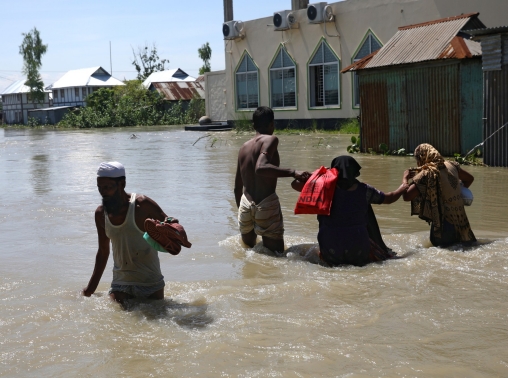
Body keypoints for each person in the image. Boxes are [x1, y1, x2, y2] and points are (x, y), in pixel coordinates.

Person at [82, 161, 176, 304]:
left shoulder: (143, 205)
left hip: (151, 283)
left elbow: (170, 224)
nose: (103, 192)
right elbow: (103, 252)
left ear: (122, 184)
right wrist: (89, 290)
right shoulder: (101, 214)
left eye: (108, 187)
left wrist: (173, 228)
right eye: (100, 187)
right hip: (120, 284)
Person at [292, 156, 409, 266]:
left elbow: (295, 184)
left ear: (334, 171)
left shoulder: (322, 187)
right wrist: (402, 187)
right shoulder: (365, 190)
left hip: (331, 252)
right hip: (359, 251)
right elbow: (389, 198)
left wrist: (319, 174)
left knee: (312, 252)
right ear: (355, 172)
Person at [234, 106, 311, 253]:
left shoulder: (243, 147)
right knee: (276, 256)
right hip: (266, 203)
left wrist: (243, 213)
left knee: (249, 254)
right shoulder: (271, 139)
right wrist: (293, 172)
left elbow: (237, 187)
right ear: (272, 124)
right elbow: (261, 167)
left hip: (244, 204)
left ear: (253, 126)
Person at [402, 143, 476, 247]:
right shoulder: (452, 165)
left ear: (421, 158)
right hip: (462, 224)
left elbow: (407, 196)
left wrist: (405, 179)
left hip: (443, 226)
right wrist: (453, 191)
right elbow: (469, 179)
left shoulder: (427, 174)